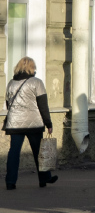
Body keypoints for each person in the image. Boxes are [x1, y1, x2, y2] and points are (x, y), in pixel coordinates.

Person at [4, 57, 56, 189]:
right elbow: (43, 105)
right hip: (33, 123)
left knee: (14, 152)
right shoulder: (36, 82)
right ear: (32, 68)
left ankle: (10, 182)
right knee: (39, 152)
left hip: (15, 123)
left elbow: (8, 104)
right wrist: (48, 123)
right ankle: (44, 179)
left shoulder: (11, 83)